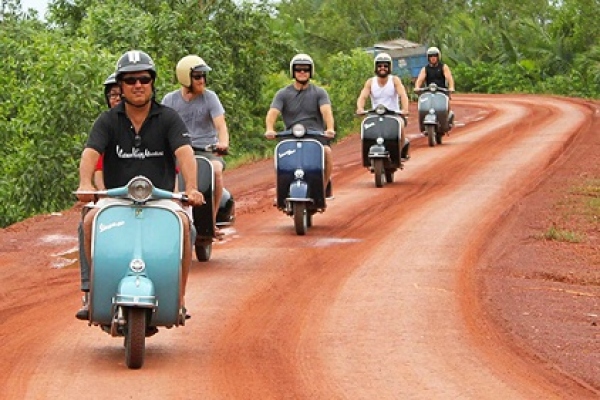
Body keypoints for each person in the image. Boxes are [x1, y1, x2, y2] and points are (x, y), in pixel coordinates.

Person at [75, 50, 204, 320]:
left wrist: (191, 187)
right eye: (131, 80)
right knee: (87, 223)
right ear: (120, 86)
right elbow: (90, 154)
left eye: (144, 79)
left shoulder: (169, 118)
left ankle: (179, 298)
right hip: (117, 198)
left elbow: (185, 153)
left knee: (185, 227)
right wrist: (85, 183)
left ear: (152, 83)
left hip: (161, 198)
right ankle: (91, 293)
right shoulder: (107, 120)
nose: (138, 85)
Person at [162, 55, 230, 238]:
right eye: (198, 76)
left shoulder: (210, 98)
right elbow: (161, 126)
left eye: (203, 76)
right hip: (179, 150)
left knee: (216, 170)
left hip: (206, 150)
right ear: (185, 77)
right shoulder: (170, 100)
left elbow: (221, 125)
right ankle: (174, 220)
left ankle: (212, 222)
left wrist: (223, 143)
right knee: (169, 176)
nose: (202, 80)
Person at [265, 53, 335, 193]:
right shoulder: (283, 94)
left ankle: (322, 187)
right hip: (291, 136)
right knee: (280, 156)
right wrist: (269, 128)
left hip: (315, 136)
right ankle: (281, 191)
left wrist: (330, 128)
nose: (302, 72)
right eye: (298, 69)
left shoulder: (319, 92)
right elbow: (272, 113)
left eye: (306, 69)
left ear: (311, 72)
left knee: (327, 152)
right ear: (293, 71)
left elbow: (327, 112)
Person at [356, 52, 410, 159]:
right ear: (376, 67)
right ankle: (368, 155)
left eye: (385, 66)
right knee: (367, 132)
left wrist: (405, 109)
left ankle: (401, 151)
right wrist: (360, 108)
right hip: (375, 115)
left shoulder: (395, 80)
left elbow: (403, 95)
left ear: (389, 67)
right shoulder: (370, 82)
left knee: (401, 126)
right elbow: (362, 97)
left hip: (394, 115)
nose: (382, 68)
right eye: (380, 66)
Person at [93, 73, 122, 190]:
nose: (118, 98)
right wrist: (103, 193)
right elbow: (98, 167)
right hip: (114, 192)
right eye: (113, 95)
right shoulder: (105, 125)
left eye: (121, 94)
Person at [414, 46, 455, 127]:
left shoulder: (443, 67)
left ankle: (447, 121)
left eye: (435, 56)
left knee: (446, 106)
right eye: (431, 56)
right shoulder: (425, 69)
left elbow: (449, 78)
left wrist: (451, 87)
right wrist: (417, 87)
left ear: (438, 57)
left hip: (442, 91)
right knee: (425, 108)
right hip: (429, 92)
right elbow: (420, 79)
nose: (433, 58)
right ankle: (423, 124)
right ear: (428, 58)